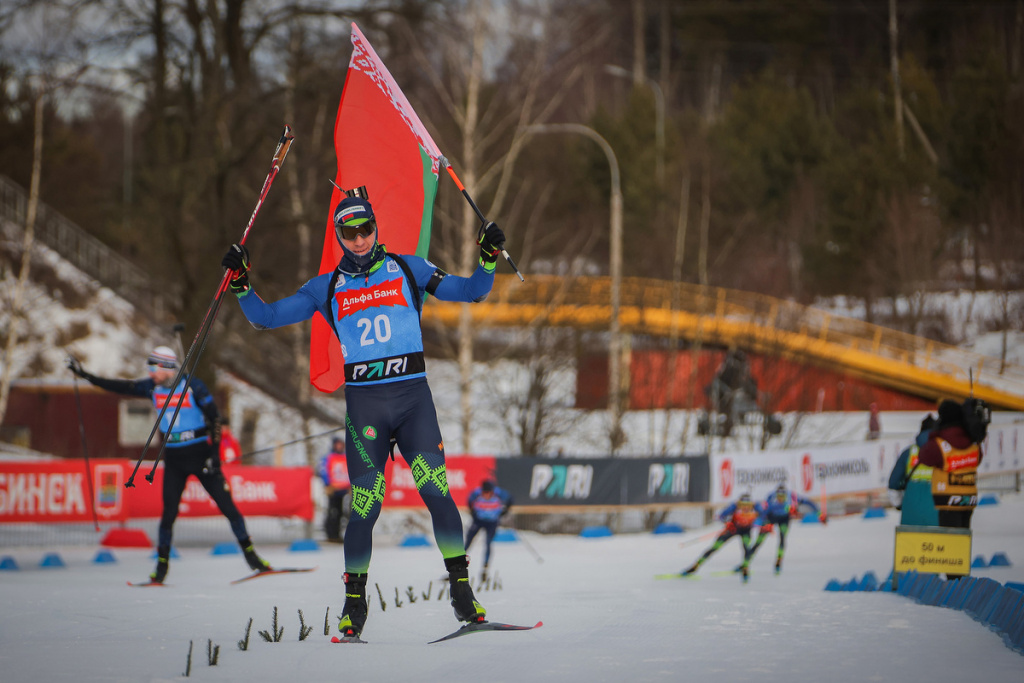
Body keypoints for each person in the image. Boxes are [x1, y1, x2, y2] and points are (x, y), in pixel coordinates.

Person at [221, 194, 505, 639]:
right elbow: (266, 317)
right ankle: (355, 603)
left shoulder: (409, 268)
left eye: (365, 230)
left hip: (413, 400)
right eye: (348, 233)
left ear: (376, 228)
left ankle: (462, 593)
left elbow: (472, 292)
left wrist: (488, 259)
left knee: (438, 494)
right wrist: (240, 283)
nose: (358, 240)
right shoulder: (325, 287)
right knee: (365, 509)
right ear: (338, 237)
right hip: (367, 406)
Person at [67, 347, 271, 583]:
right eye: (149, 368)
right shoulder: (152, 387)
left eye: (154, 368)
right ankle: (161, 567)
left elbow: (215, 418)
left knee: (229, 509)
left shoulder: (193, 385)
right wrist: (85, 375)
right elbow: (120, 386)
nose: (150, 373)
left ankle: (252, 557)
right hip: (174, 460)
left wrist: (214, 455)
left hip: (200, 456)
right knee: (168, 515)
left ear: (166, 368)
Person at [917, 398, 984, 579]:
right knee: (962, 541)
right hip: (968, 498)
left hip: (947, 499)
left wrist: (932, 434)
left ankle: (954, 584)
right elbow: (978, 459)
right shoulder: (973, 441)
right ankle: (961, 578)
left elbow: (924, 456)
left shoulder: (940, 443)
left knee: (950, 544)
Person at [681, 493, 764, 582]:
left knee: (747, 548)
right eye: (743, 505)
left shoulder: (756, 508)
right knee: (714, 547)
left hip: (745, 531)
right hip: (732, 529)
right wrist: (727, 522)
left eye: (747, 505)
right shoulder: (734, 507)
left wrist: (759, 524)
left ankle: (745, 568)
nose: (745, 507)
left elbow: (763, 517)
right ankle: (695, 566)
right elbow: (720, 516)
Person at [746, 484, 823, 574]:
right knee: (759, 541)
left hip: (784, 519)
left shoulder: (792, 497)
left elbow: (808, 502)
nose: (780, 499)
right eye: (779, 497)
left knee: (782, 537)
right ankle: (746, 562)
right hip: (771, 517)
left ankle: (779, 561)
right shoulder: (771, 496)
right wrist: (762, 523)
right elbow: (765, 510)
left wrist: (818, 512)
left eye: (782, 497)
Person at [887, 414, 939, 527]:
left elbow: (893, 484)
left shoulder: (909, 453)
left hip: (911, 512)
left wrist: (900, 504)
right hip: (938, 514)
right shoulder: (944, 452)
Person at [464, 478, 513, 579]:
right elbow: (469, 500)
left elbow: (510, 498)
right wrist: (473, 512)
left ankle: (485, 566)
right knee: (468, 540)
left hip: (492, 522)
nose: (486, 495)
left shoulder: (499, 493)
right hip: (479, 520)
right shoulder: (477, 492)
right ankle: (458, 562)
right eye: (484, 492)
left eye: (488, 492)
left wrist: (505, 511)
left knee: (488, 543)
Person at [318, 437, 350, 544]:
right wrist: (327, 484)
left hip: (343, 489)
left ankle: (337, 534)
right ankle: (331, 534)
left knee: (341, 512)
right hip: (333, 489)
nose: (340, 447)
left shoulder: (346, 457)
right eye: (338, 444)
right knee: (333, 512)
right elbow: (323, 471)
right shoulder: (329, 458)